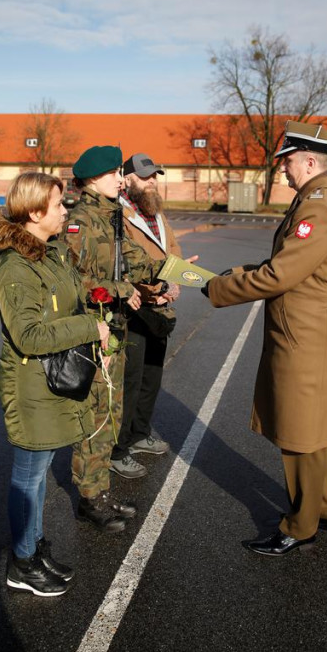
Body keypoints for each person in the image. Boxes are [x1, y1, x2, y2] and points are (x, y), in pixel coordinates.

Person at [201, 120, 327, 557]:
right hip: (311, 330)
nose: (282, 170)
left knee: (299, 433)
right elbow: (289, 262)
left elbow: (282, 273)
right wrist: (240, 273)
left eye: (286, 161)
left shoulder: (318, 208)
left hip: (305, 335)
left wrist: (219, 288)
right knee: (314, 428)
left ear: (309, 160)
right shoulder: (318, 200)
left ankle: (299, 526)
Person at [0, 172, 110, 596]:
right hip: (33, 387)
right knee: (27, 479)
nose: (64, 211)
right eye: (58, 205)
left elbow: (69, 303)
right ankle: (21, 563)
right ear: (35, 211)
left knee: (37, 478)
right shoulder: (16, 267)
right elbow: (29, 336)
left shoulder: (50, 252)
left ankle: (34, 547)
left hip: (53, 383)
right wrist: (89, 327)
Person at [62, 145, 166, 532]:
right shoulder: (79, 222)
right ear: (93, 179)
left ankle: (101, 489)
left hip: (115, 328)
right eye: (112, 174)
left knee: (112, 412)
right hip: (92, 329)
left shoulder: (113, 216)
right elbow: (72, 282)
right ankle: (90, 497)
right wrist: (120, 288)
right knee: (94, 414)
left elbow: (137, 261)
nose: (120, 179)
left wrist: (173, 276)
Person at [110, 153, 182, 479]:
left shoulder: (155, 211)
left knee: (152, 376)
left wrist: (175, 280)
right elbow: (126, 264)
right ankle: (118, 448)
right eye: (145, 176)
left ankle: (140, 433)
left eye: (155, 176)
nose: (152, 181)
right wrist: (157, 288)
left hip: (159, 305)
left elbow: (173, 248)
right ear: (126, 179)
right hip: (134, 307)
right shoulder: (119, 215)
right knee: (130, 381)